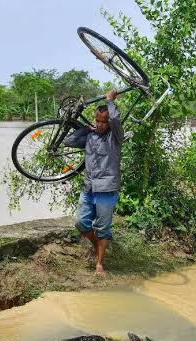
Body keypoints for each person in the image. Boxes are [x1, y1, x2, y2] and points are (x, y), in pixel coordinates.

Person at [63, 90, 124, 276]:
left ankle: (100, 264)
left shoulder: (116, 138)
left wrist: (110, 102)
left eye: (103, 122)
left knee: (103, 228)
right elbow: (68, 140)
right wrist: (85, 128)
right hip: (88, 187)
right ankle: (97, 245)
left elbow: (115, 121)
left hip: (106, 189)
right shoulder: (90, 136)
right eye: (97, 121)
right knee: (81, 223)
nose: (100, 125)